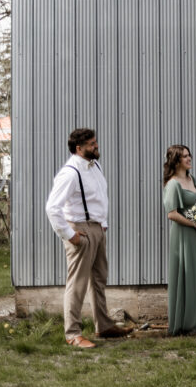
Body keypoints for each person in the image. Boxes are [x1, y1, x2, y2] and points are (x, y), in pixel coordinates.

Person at [44, 127, 131, 348]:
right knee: (78, 283)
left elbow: (98, 197)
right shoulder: (70, 173)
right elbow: (52, 208)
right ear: (79, 148)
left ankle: (103, 325)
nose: (96, 146)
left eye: (95, 142)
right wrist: (70, 235)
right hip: (80, 230)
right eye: (92, 144)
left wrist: (102, 224)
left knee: (99, 279)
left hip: (98, 228)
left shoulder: (95, 166)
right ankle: (72, 334)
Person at [162, 144, 196, 335]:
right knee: (187, 274)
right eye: (184, 156)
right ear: (176, 160)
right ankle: (186, 323)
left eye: (189, 155)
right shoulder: (173, 183)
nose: (189, 158)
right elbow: (172, 214)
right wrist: (195, 224)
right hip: (182, 234)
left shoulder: (192, 178)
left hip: (195, 234)